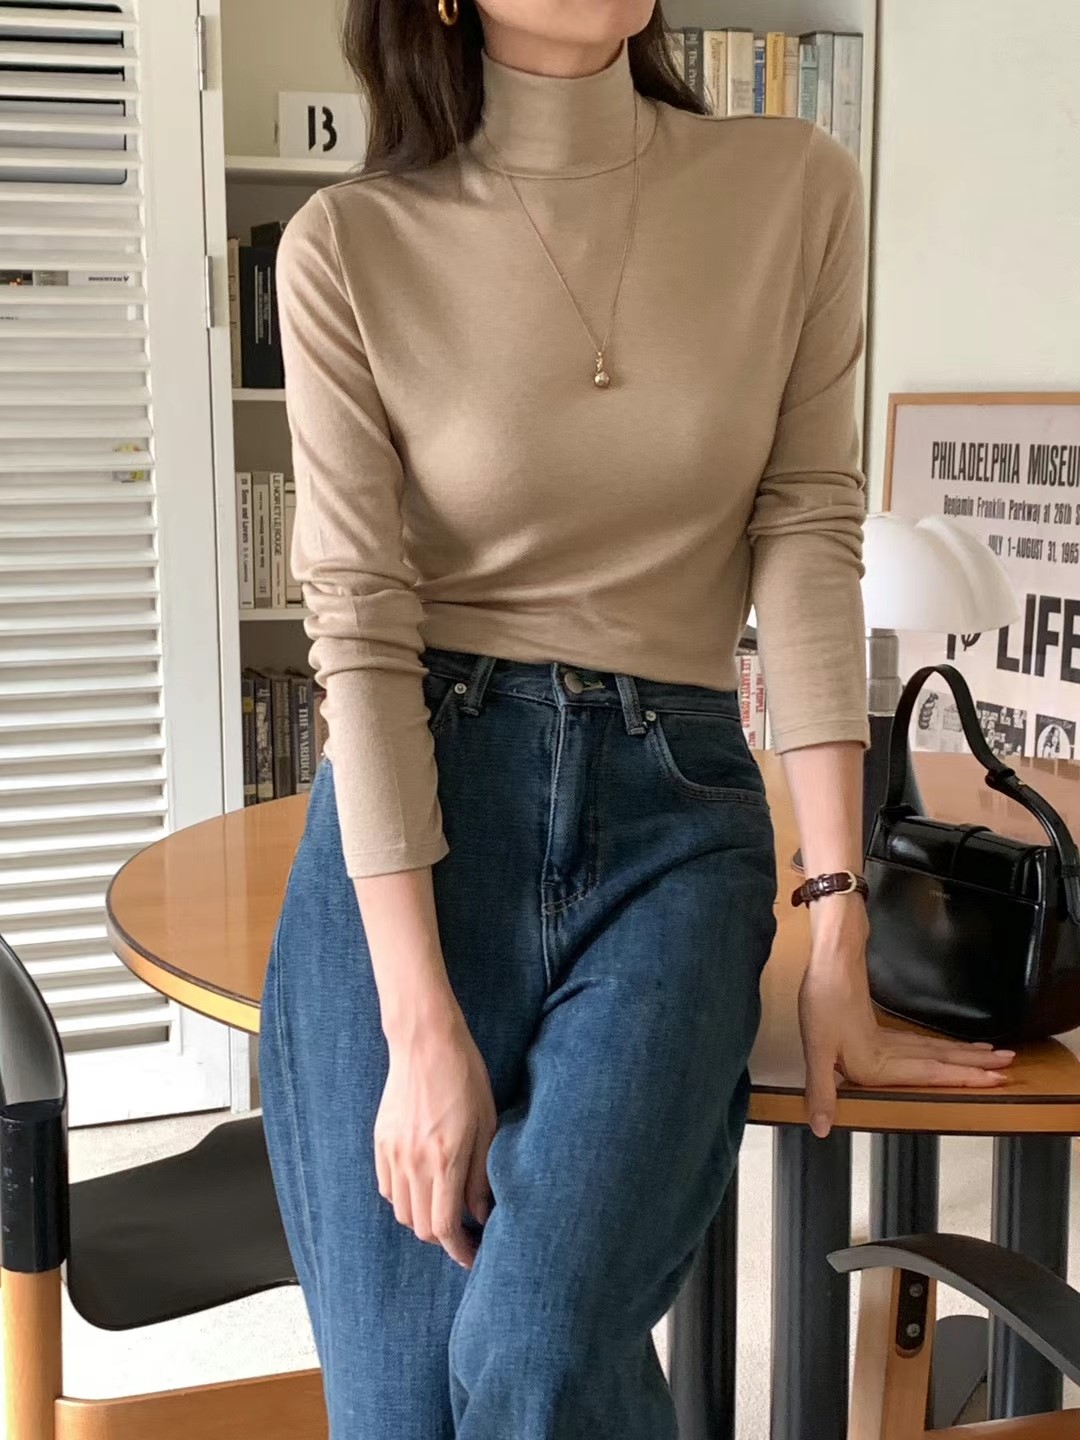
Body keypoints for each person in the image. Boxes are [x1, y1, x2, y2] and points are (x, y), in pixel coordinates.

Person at [258, 3, 1015, 1436]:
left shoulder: (791, 188)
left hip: (676, 813)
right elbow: (358, 627)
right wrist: (420, 1029)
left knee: (539, 1350)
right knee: (406, 1413)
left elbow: (806, 537)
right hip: (421, 825)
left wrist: (835, 926)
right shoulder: (349, 247)